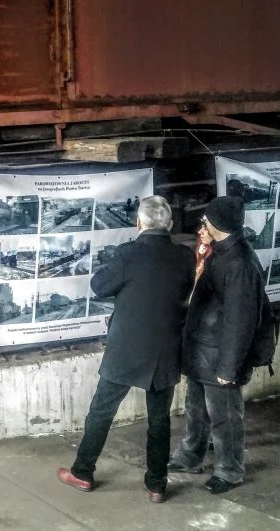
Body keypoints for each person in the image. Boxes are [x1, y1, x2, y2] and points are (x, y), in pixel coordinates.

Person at [58, 196, 195, 503]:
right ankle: (157, 485)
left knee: (101, 411)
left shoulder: (128, 254)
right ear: (170, 225)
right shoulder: (184, 257)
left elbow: (99, 286)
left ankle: (82, 472)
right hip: (165, 350)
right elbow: (184, 290)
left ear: (138, 223)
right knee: (159, 419)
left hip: (126, 349)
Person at [168, 195, 266, 495]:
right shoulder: (221, 253)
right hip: (202, 350)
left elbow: (240, 319)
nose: (202, 226)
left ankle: (230, 470)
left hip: (218, 355)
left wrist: (229, 367)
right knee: (196, 408)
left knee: (225, 416)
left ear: (215, 224)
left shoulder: (239, 263)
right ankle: (190, 456)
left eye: (205, 221)